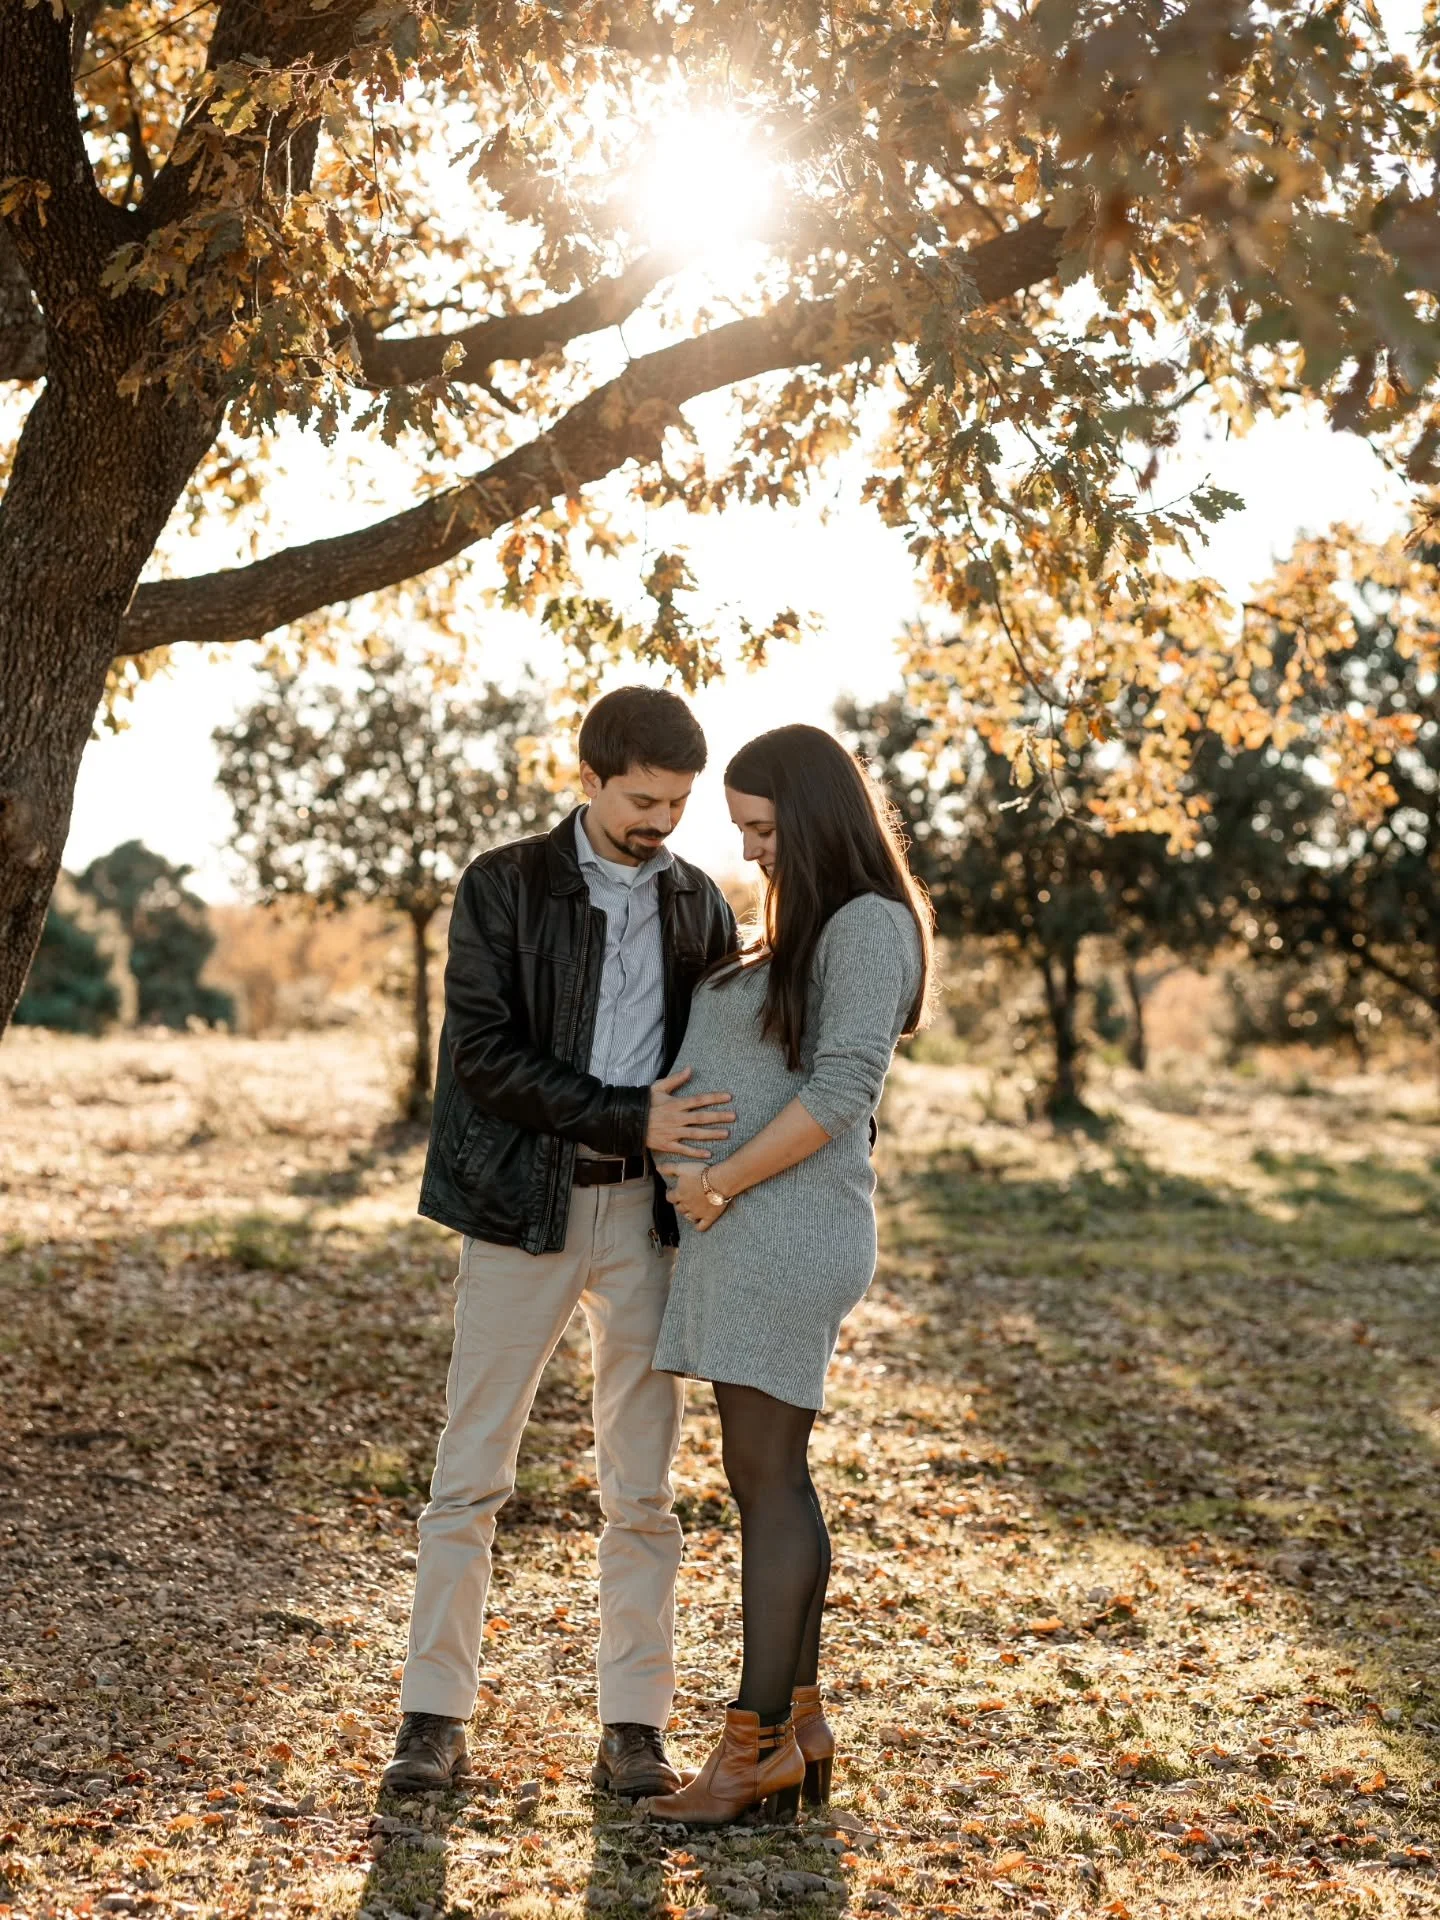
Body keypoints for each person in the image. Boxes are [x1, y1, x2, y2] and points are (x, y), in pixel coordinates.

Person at [381, 686, 738, 1798]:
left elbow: (723, 1055)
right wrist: (626, 1113)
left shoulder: (701, 902)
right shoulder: (503, 884)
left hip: (652, 1220)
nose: (661, 822)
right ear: (588, 778)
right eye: (642, 799)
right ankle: (432, 1719)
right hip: (519, 1210)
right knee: (470, 1476)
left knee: (643, 1491)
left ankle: (635, 1726)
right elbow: (482, 1055)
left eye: (679, 803)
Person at [646, 723, 934, 1828]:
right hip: (747, 1224)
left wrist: (713, 1182)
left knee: (768, 1481)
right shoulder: (812, 930)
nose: (752, 852)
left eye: (763, 830)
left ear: (812, 818)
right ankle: (799, 1723)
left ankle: (746, 1748)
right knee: (771, 1478)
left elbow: (842, 1090)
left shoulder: (866, 924)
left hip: (782, 1225)